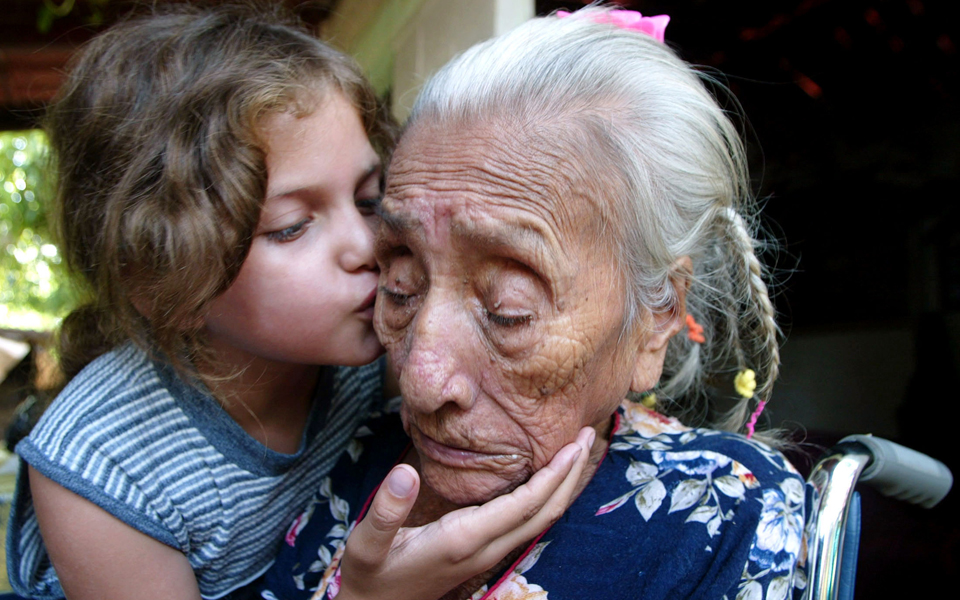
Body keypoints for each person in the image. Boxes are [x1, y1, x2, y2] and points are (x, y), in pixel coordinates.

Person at [4, 5, 594, 600]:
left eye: (368, 199)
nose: (369, 245)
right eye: (291, 227)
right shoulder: (100, 468)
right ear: (163, 282)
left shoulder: (374, 357)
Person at [263, 8, 806, 600]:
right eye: (399, 285)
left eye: (507, 310)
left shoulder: (725, 514)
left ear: (654, 320)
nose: (418, 382)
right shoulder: (366, 454)